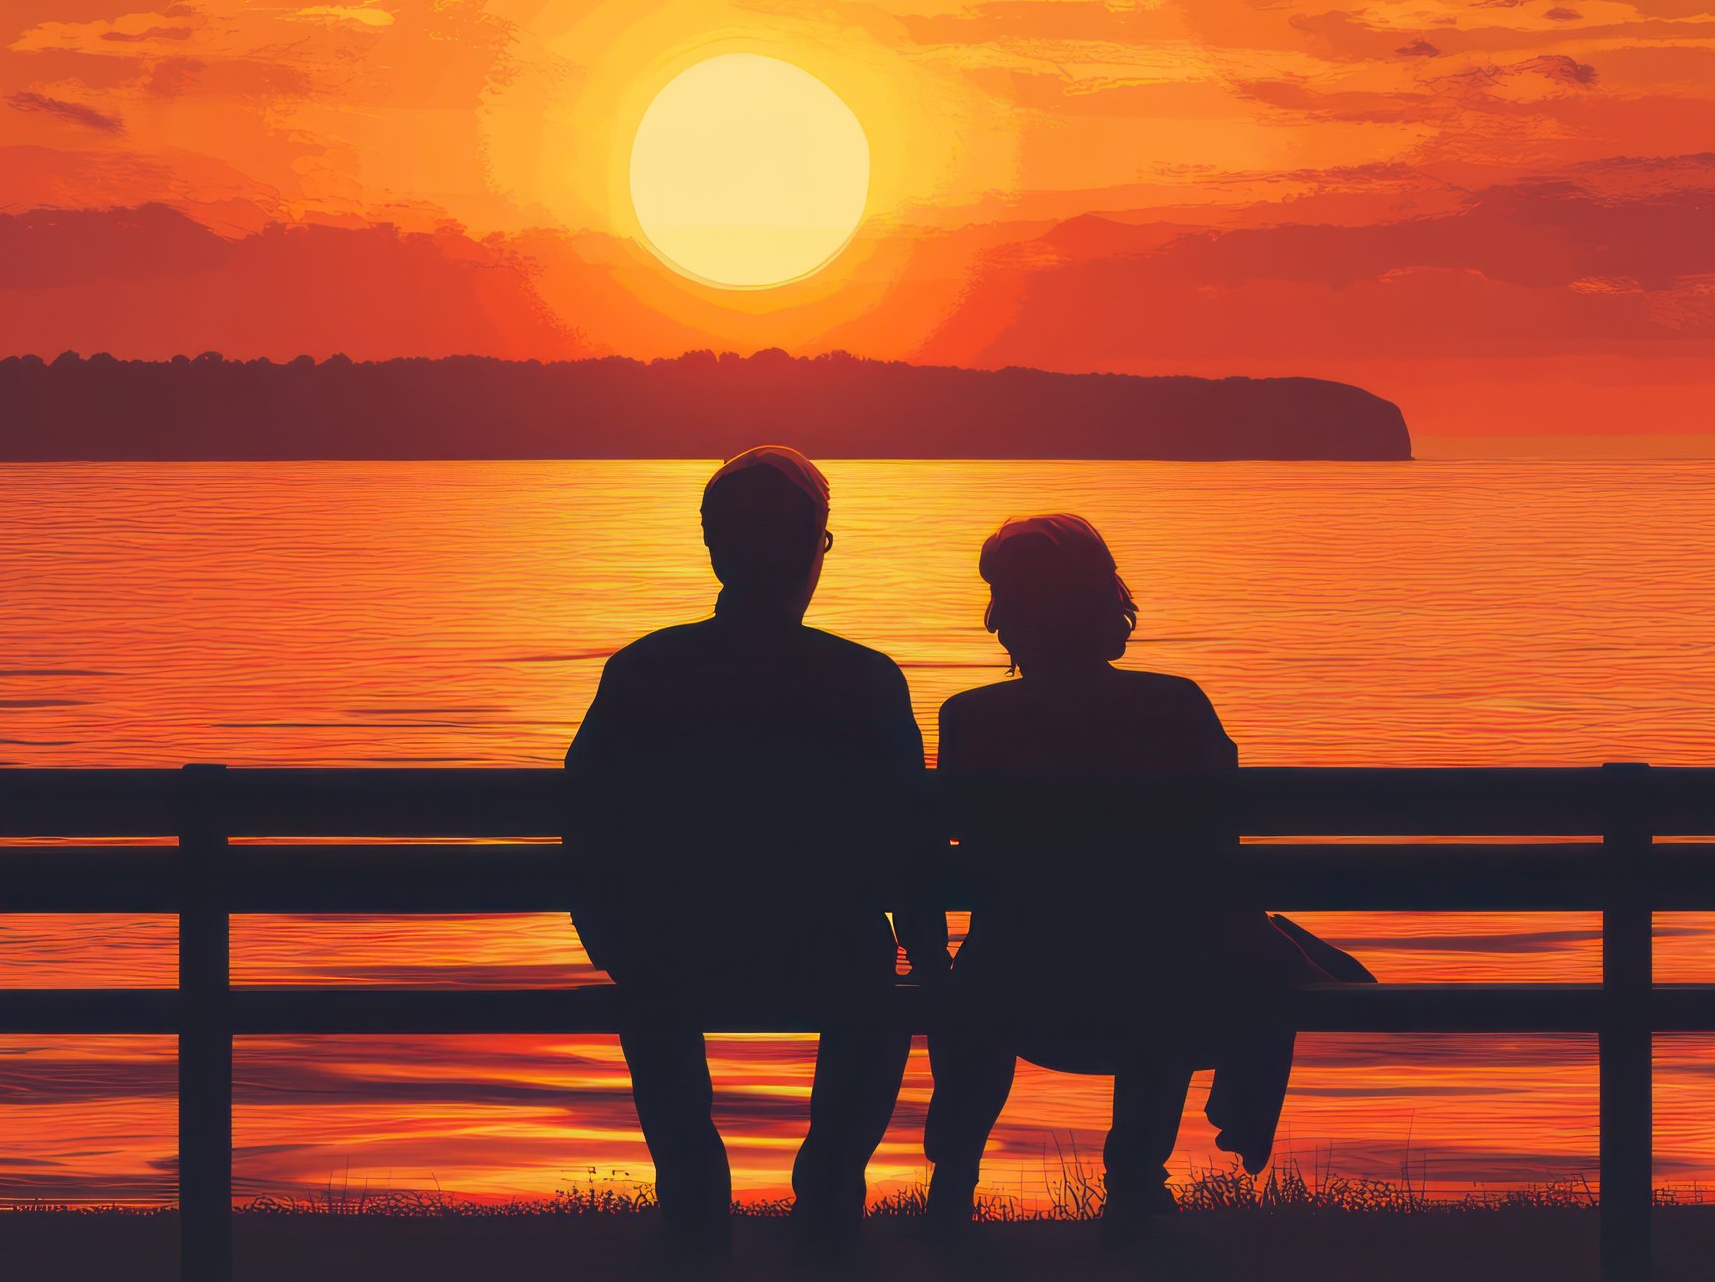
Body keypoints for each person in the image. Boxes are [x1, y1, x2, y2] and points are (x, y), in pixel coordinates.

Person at [921, 514, 1372, 1223]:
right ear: (1107, 606)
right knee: (1176, 939)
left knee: (1015, 962)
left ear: (1006, 615)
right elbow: (1219, 839)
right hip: (1165, 985)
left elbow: (962, 850)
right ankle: (1135, 1174)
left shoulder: (971, 717)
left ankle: (952, 1180)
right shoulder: (1174, 703)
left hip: (1015, 981)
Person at [563, 446, 946, 1241]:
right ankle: (831, 1181)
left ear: (713, 545)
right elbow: (909, 840)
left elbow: (587, 818)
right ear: (815, 549)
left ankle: (695, 1191)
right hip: (832, 950)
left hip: (675, 950)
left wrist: (613, 941)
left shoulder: (643, 670)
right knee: (876, 991)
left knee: (653, 986)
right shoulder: (866, 679)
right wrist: (931, 958)